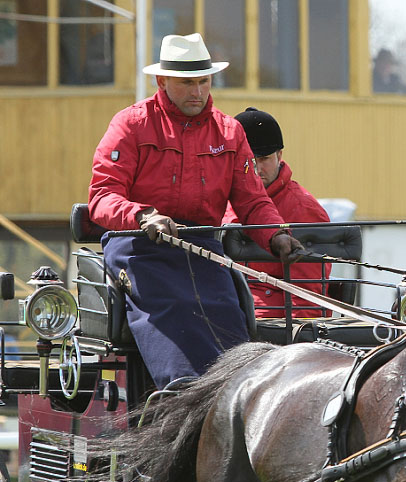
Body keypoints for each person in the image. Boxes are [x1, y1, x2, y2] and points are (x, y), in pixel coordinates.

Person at [88, 33, 302, 389]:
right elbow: (102, 196)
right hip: (139, 247)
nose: (197, 91)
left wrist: (276, 235)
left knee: (224, 312)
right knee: (172, 307)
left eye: (203, 81)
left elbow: (252, 201)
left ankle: (233, 392)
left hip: (202, 248)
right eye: (187, 82)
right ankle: (180, 392)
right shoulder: (130, 124)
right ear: (162, 81)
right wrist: (142, 216)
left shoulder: (230, 132)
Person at [223, 107, 331, 318]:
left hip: (266, 321)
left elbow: (307, 300)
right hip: (226, 308)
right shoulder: (221, 198)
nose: (255, 168)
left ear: (279, 156)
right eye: (247, 159)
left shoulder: (303, 210)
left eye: (263, 159)